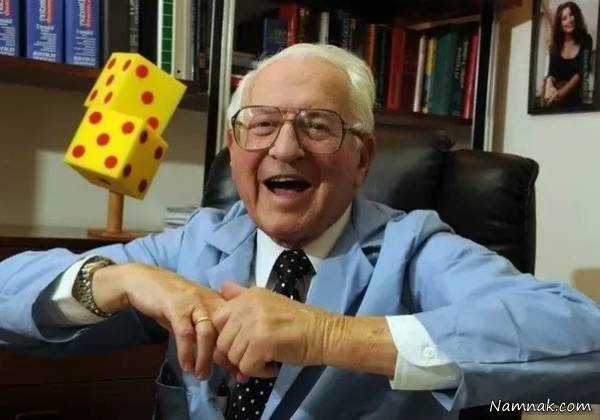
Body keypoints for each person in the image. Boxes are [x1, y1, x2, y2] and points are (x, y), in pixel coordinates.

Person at [1, 43, 600, 420]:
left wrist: (327, 335)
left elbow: (583, 340)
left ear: (362, 158)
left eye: (317, 125)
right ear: (234, 146)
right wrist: (124, 279)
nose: (284, 149)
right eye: (260, 124)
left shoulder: (415, 248)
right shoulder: (196, 243)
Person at [542, 1, 594, 107]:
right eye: (564, 18)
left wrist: (562, 92)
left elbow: (581, 71)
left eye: (571, 15)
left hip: (577, 99)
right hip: (555, 99)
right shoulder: (555, 45)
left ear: (576, 16)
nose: (569, 20)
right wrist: (548, 84)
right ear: (560, 24)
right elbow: (552, 73)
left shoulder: (586, 40)